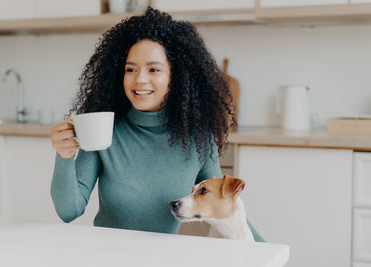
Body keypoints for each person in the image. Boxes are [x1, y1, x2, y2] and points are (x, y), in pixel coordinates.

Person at [50, 7, 264, 242]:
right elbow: (68, 211)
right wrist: (64, 156)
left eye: (154, 69)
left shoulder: (198, 140)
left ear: (177, 76)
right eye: (130, 69)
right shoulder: (103, 132)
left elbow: (228, 212)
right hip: (107, 256)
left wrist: (268, 253)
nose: (140, 79)